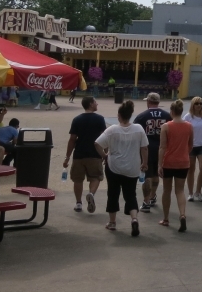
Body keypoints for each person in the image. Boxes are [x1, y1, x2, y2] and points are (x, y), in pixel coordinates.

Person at [95, 100, 148, 237]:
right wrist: (145, 162)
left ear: (119, 115)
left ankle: (112, 222)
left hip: (114, 167)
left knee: (113, 193)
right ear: (130, 115)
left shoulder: (112, 130)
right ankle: (134, 218)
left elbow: (97, 144)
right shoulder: (138, 129)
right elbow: (144, 148)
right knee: (130, 194)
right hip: (132, 167)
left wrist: (104, 156)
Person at [63, 96, 106, 213]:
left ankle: (78, 203)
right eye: (95, 102)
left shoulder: (77, 119)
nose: (97, 104)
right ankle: (91, 194)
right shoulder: (100, 119)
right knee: (96, 177)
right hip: (94, 154)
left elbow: (72, 139)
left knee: (78, 180)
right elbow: (104, 138)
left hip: (79, 154)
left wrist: (67, 157)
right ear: (91, 104)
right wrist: (105, 154)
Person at [158, 100, 193, 232]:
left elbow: (162, 147)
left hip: (168, 161)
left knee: (167, 190)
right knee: (180, 190)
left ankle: (166, 218)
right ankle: (182, 214)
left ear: (172, 112)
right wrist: (184, 153)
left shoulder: (166, 126)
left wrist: (159, 164)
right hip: (183, 162)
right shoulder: (189, 126)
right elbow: (191, 145)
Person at [134, 93, 170, 212]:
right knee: (156, 173)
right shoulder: (167, 115)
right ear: (158, 102)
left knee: (147, 175)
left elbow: (135, 133)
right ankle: (153, 195)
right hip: (162, 148)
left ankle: (146, 201)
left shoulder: (141, 116)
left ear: (148, 101)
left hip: (147, 148)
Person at [183, 97, 202, 203]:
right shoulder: (188, 117)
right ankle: (190, 193)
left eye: (200, 103)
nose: (199, 105)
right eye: (197, 104)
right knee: (191, 169)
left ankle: (198, 191)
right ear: (193, 105)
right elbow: (184, 132)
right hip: (191, 145)